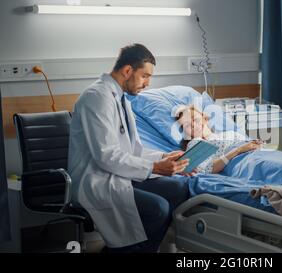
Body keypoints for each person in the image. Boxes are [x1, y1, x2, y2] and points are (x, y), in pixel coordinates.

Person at [68, 44, 194, 253]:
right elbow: (106, 156)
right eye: (145, 76)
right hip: (96, 180)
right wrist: (155, 167)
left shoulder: (121, 99)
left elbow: (133, 149)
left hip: (120, 175)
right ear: (127, 71)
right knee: (157, 209)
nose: (147, 83)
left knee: (179, 189)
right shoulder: (97, 97)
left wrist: (165, 157)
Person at [175, 105, 282, 185]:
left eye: (194, 119)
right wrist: (239, 150)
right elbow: (207, 169)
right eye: (187, 125)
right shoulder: (196, 143)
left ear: (204, 118)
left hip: (260, 154)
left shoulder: (228, 133)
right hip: (241, 162)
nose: (193, 125)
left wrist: (255, 144)